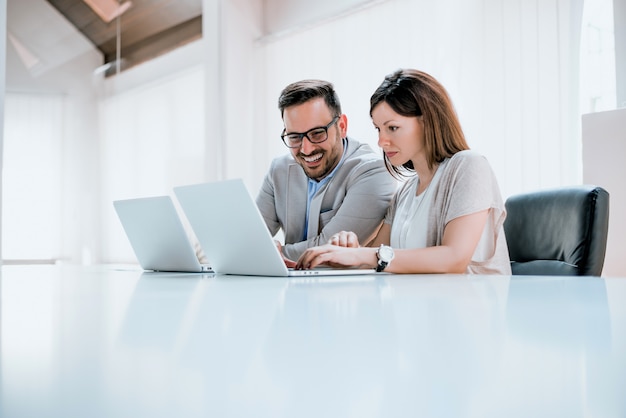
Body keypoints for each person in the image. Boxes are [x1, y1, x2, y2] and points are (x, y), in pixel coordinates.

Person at [296, 69, 511, 274]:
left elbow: (454, 258)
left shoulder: (468, 166)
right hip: (421, 307)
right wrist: (350, 251)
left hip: (472, 308)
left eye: (393, 128)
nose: (381, 141)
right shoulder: (406, 192)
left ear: (427, 121)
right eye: (378, 129)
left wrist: (366, 255)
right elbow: (378, 258)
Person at [256, 79, 397, 264]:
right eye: (294, 137)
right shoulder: (279, 170)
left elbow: (327, 252)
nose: (306, 149)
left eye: (317, 133)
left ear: (342, 127)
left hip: (344, 290)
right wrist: (258, 249)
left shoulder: (376, 172)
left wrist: (268, 253)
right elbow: (250, 239)